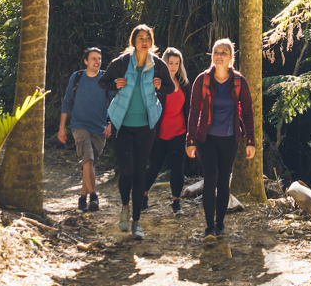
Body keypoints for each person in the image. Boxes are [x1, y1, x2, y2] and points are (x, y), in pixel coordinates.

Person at [99, 25, 174, 240]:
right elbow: (101, 82)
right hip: (121, 124)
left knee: (140, 172)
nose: (144, 41)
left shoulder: (158, 65)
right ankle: (124, 207)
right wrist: (115, 83)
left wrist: (160, 85)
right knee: (126, 171)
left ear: (151, 42)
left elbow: (170, 87)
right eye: (140, 38)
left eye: (147, 38)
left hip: (145, 126)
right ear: (133, 41)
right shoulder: (122, 63)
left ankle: (137, 222)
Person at [185, 38, 255, 241]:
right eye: (216, 52)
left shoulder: (239, 82)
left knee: (224, 181)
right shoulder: (203, 80)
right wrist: (190, 140)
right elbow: (194, 111)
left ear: (231, 57)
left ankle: (220, 223)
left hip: (230, 138)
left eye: (224, 52)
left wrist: (251, 140)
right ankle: (209, 226)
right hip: (205, 138)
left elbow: (248, 112)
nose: (220, 55)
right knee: (211, 177)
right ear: (212, 56)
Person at [58, 47, 114, 212]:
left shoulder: (106, 78)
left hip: (100, 129)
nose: (97, 62)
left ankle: (82, 199)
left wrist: (112, 123)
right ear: (86, 61)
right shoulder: (77, 77)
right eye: (93, 58)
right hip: (79, 125)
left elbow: (114, 102)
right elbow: (67, 101)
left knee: (88, 164)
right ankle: (94, 197)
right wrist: (62, 127)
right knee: (88, 160)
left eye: (99, 58)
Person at [143, 48, 190, 215]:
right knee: (154, 167)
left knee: (178, 168)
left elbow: (189, 109)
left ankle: (176, 202)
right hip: (158, 134)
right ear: (164, 63)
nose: (173, 66)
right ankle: (144, 195)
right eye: (170, 63)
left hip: (179, 132)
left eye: (177, 63)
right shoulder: (157, 82)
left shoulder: (183, 83)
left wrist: (190, 135)